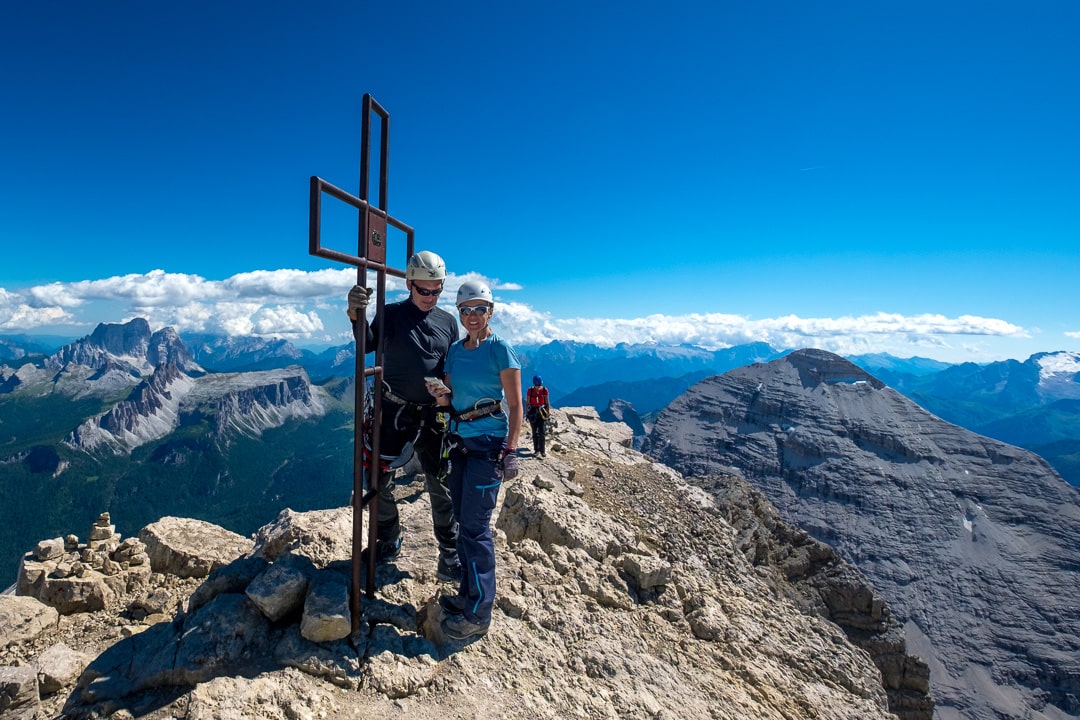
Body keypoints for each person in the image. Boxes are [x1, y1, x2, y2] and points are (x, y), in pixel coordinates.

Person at [346, 250, 462, 583]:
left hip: (433, 415)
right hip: (394, 411)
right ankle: (389, 538)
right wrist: (356, 314)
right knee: (376, 478)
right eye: (424, 289)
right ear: (409, 284)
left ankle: (450, 554)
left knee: (440, 483)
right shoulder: (391, 315)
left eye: (437, 290)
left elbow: (452, 367)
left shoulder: (447, 322)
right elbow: (367, 345)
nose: (430, 296)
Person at [426, 279, 522, 641]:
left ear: (491, 311)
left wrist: (511, 449)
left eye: (480, 309)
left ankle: (479, 614)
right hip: (461, 443)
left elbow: (515, 405)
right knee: (464, 521)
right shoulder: (454, 350)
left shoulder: (501, 349)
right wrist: (439, 396)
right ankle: (467, 596)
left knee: (477, 529)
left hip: (489, 445)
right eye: (466, 310)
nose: (473, 316)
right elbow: (451, 399)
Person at [525, 375, 551, 457]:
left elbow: (547, 403)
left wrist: (547, 413)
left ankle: (542, 450)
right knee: (534, 432)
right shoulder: (530, 390)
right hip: (533, 412)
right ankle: (536, 450)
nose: (537, 387)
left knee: (542, 432)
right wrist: (527, 413)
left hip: (541, 412)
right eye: (536, 385)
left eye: (539, 385)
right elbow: (528, 403)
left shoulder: (544, 390)